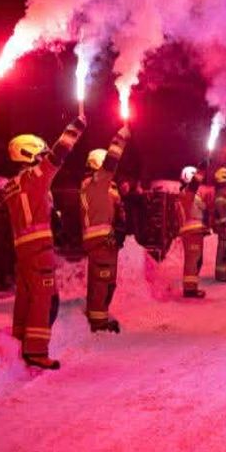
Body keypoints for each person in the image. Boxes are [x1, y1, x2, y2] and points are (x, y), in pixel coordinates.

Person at [4, 115, 86, 369]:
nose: (43, 159)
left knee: (27, 297)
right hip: (39, 249)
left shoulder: (13, 185)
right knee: (45, 300)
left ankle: (19, 341)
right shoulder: (33, 179)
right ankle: (36, 351)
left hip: (23, 248)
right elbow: (58, 156)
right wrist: (76, 127)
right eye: (39, 155)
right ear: (28, 154)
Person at [80, 125, 131, 333]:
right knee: (101, 280)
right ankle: (98, 320)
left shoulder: (102, 187)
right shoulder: (95, 182)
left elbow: (114, 208)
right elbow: (111, 162)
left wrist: (120, 224)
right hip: (100, 239)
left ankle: (101, 314)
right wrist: (121, 138)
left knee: (108, 280)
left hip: (107, 239)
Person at [176, 165, 209, 298]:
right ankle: (189, 289)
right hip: (191, 231)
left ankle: (192, 287)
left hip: (195, 230)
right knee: (193, 260)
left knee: (197, 260)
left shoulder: (192, 194)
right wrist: (201, 171)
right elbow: (195, 184)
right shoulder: (186, 193)